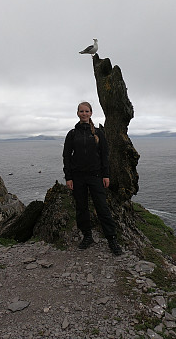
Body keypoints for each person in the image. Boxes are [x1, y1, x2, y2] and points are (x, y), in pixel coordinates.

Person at [63, 101, 123, 256]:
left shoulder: (97, 133)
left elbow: (104, 155)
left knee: (102, 207)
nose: (84, 114)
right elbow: (66, 157)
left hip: (96, 176)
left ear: (91, 113)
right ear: (77, 113)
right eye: (81, 111)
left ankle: (112, 239)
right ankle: (87, 236)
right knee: (81, 208)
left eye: (87, 111)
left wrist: (106, 175)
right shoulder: (72, 134)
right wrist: (68, 178)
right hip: (78, 177)